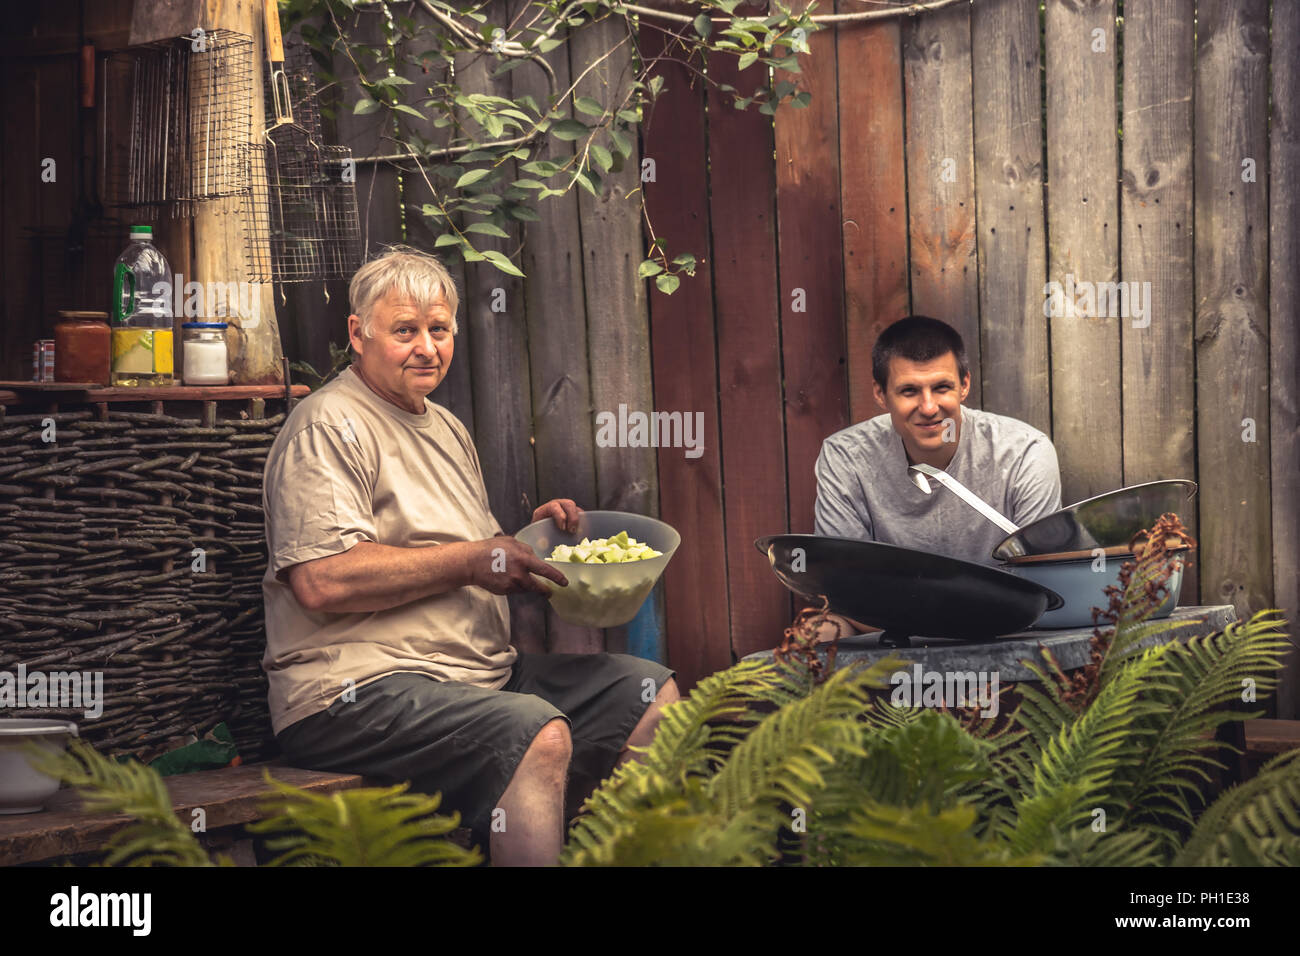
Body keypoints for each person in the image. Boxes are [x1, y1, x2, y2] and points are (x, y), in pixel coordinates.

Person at [260, 246, 679, 866]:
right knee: (534, 731)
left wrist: (531, 544)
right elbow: (321, 580)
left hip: (475, 678)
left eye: (439, 329)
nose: (426, 347)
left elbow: (463, 553)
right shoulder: (330, 424)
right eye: (405, 331)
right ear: (358, 333)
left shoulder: (446, 428)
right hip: (353, 693)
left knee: (649, 694)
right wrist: (475, 559)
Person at [810, 315, 1062, 637]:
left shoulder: (1025, 452)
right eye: (909, 391)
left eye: (941, 387)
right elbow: (840, 588)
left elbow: (1040, 584)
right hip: (884, 629)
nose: (928, 407)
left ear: (965, 385)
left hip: (1003, 626)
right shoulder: (845, 456)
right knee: (817, 631)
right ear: (880, 394)